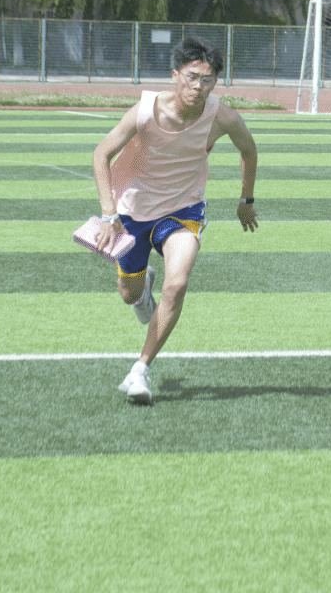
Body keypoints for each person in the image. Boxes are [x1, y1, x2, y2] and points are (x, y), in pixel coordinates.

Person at [90, 37, 258, 404]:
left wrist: (246, 200)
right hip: (133, 212)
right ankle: (141, 292)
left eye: (207, 80)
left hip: (183, 211)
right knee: (129, 294)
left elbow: (248, 149)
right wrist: (108, 215)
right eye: (192, 77)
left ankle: (140, 369)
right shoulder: (145, 112)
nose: (199, 87)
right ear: (175, 75)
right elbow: (101, 155)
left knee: (177, 284)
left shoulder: (222, 116)